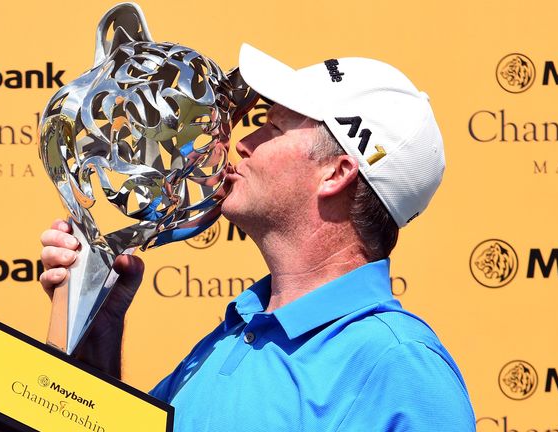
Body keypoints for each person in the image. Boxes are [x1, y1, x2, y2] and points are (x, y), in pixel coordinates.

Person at [39, 43, 476, 431]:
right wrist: (100, 330)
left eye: (274, 127)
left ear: (336, 173)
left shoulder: (399, 364)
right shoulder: (238, 332)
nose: (244, 143)